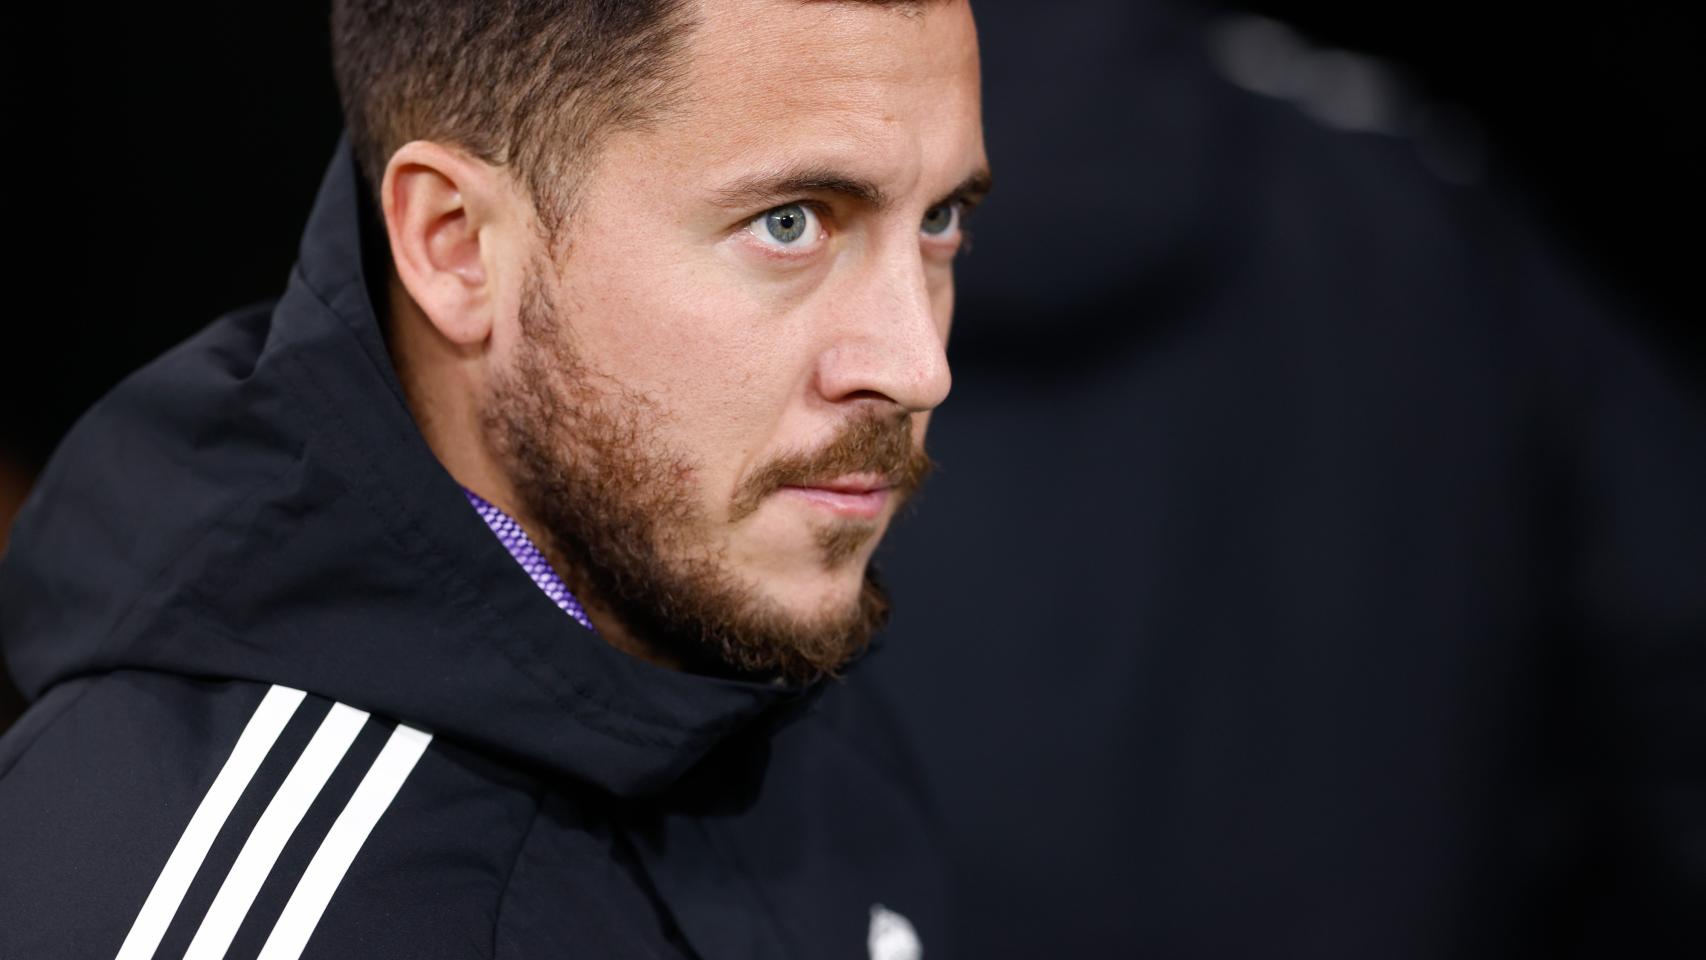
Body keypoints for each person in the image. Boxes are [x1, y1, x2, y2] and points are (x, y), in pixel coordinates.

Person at [0, 1, 988, 957]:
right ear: (457, 245)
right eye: (789, 224)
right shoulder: (233, 904)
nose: (918, 368)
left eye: (939, 219)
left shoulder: (764, 651)